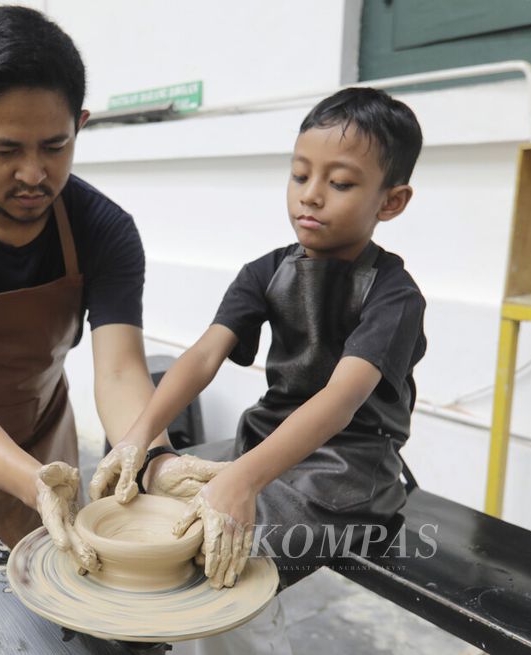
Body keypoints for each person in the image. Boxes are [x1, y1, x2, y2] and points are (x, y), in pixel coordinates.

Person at [0, 6, 223, 568]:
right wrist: (31, 481)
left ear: (79, 125)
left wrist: (152, 459)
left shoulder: (105, 229)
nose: (34, 174)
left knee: (41, 601)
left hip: (40, 435)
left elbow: (119, 371)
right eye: (6, 150)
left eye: (55, 147)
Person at [93, 87, 426, 651]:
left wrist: (241, 480)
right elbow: (201, 357)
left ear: (390, 202)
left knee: (220, 551)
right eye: (300, 176)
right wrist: (136, 437)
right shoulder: (266, 271)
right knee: (142, 506)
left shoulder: (394, 296)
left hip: (348, 469)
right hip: (264, 441)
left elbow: (341, 399)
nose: (311, 196)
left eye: (340, 183)